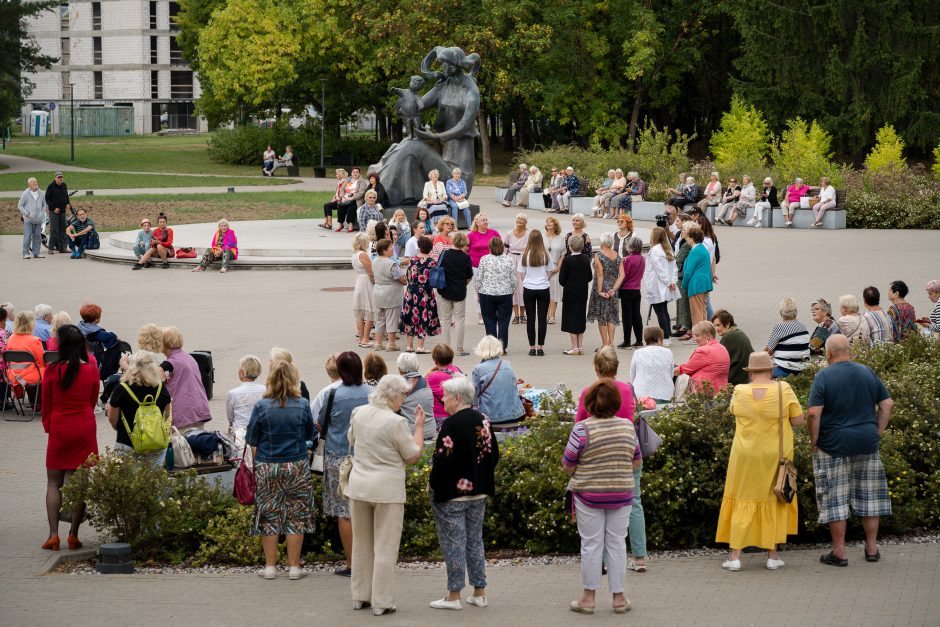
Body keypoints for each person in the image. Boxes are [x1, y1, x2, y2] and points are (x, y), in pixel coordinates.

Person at [808, 335, 894, 567]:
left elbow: (814, 413)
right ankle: (872, 548)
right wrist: (878, 431)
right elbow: (887, 403)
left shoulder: (823, 376)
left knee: (835, 498)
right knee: (870, 496)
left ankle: (839, 553)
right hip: (866, 441)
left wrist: (814, 440)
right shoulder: (866, 372)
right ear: (849, 351)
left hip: (833, 444)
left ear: (828, 354)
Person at [715, 351, 804, 571]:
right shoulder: (784, 390)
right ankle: (772, 556)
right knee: (774, 498)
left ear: (751, 372)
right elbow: (799, 420)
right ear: (771, 369)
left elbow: (734, 411)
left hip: (744, 454)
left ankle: (735, 556)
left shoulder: (739, 391)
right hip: (775, 454)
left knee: (741, 497)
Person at [347, 375, 426, 615]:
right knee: (385, 547)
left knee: (361, 543)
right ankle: (381, 601)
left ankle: (360, 596)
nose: (404, 399)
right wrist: (420, 426)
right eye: (402, 395)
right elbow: (412, 455)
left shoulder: (359, 412)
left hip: (359, 486)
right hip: (387, 490)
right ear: (393, 395)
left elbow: (351, 440)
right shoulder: (396, 422)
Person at [563, 381, 640, 615]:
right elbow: (636, 460)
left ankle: (588, 599)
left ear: (590, 404)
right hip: (621, 493)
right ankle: (619, 598)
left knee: (591, 544)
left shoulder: (582, 429)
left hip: (589, 495)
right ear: (616, 403)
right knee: (617, 543)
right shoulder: (628, 427)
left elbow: (567, 464)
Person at [428, 375, 499, 610]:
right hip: (479, 491)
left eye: (446, 396)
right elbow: (494, 454)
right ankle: (480, 591)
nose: (443, 400)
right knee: (474, 541)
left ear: (457, 398)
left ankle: (454, 595)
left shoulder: (451, 424)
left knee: (454, 543)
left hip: (452, 494)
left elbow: (442, 461)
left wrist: (434, 485)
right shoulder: (484, 418)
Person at [247, 359, 315, 581]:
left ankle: (270, 567)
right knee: (296, 514)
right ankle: (294, 567)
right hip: (296, 463)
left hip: (268, 463)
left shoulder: (261, 406)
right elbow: (308, 435)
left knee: (269, 514)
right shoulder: (302, 404)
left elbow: (252, 438)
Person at [40, 324, 98, 552]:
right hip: (83, 427)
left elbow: (46, 404)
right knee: (79, 484)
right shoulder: (91, 370)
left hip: (60, 427)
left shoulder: (52, 370)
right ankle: (73, 534)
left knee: (54, 482)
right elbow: (93, 402)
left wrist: (49, 427)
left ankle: (53, 535)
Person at [316, 351, 371, 577]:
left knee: (344, 512)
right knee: (366, 509)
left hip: (337, 455)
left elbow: (320, 423)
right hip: (367, 455)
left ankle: (352, 562)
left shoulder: (333, 395)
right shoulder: (372, 393)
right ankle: (369, 559)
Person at [106, 350, 172, 467]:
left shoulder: (122, 389)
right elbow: (166, 414)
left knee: (127, 482)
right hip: (156, 443)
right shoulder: (161, 387)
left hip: (127, 442)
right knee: (154, 481)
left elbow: (113, 420)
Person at [162, 326, 212, 430]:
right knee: (197, 442)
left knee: (181, 444)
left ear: (165, 343)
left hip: (184, 413)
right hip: (198, 409)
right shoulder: (189, 357)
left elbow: (149, 377)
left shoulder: (170, 363)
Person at [471, 336, 524, 424]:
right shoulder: (508, 364)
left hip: (491, 416)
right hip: (514, 414)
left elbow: (474, 395)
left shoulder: (478, 369)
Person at [436, 232, 474, 355]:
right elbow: (469, 276)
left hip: (445, 290)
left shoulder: (444, 254)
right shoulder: (466, 257)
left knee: (445, 320)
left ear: (452, 241)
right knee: (460, 320)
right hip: (459, 291)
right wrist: (463, 284)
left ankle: (446, 349)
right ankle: (459, 348)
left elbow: (438, 268)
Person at [475, 237, 516, 352]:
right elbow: (513, 277)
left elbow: (479, 277)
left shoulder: (484, 259)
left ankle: (492, 348)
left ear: (490, 247)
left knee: (489, 321)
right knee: (504, 321)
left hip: (487, 293)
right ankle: (502, 347)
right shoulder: (508, 259)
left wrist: (477, 291)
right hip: (505, 293)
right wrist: (513, 289)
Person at [401, 236, 440, 353]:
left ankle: (409, 346)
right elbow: (434, 280)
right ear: (430, 248)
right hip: (425, 293)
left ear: (419, 247)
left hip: (412, 291)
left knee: (410, 316)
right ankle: (420, 346)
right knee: (423, 316)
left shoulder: (412, 259)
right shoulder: (432, 262)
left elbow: (408, 275)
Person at [519, 229, 555, 356]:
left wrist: (527, 281)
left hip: (529, 288)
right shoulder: (546, 254)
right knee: (542, 318)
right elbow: (551, 271)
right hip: (543, 288)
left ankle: (531, 347)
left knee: (530, 318)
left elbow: (521, 273)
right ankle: (540, 347)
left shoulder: (525, 254)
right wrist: (545, 278)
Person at [587, 233, 624, 350]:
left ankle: (604, 344)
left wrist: (599, 290)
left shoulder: (598, 255)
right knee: (612, 315)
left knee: (602, 316)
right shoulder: (617, 256)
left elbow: (600, 274)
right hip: (612, 289)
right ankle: (611, 342)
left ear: (602, 243)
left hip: (601, 288)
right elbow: (622, 275)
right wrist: (614, 289)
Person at [643, 227, 679, 347]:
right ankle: (667, 335)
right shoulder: (668, 249)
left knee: (660, 312)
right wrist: (672, 281)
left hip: (657, 285)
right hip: (666, 285)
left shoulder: (654, 251)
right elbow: (674, 268)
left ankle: (666, 337)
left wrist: (669, 282)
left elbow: (659, 269)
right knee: (664, 311)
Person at [674, 321, 730, 395]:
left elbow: (685, 369)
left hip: (703, 390)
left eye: (697, 336)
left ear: (708, 335)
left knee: (672, 371)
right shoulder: (722, 347)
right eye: (694, 336)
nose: (695, 339)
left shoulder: (703, 350)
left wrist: (667, 372)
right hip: (721, 389)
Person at [372, 239, 407, 352]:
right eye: (391, 247)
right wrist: (405, 279)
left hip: (378, 293)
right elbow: (402, 279)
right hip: (391, 295)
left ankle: (378, 343)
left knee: (380, 319)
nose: (393, 249)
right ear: (384, 250)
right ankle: (391, 344)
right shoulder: (391, 264)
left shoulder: (375, 261)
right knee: (392, 319)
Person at [559, 234, 592, 355]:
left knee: (571, 318)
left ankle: (574, 347)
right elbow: (589, 277)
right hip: (582, 293)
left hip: (570, 294)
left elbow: (562, 280)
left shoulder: (567, 260)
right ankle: (580, 346)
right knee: (580, 318)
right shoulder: (585, 259)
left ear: (570, 245)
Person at [5, 312, 46, 407]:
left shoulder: (11, 338)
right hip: (30, 376)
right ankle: (39, 402)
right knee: (48, 370)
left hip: (13, 375)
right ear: (31, 324)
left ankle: (34, 399)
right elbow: (42, 361)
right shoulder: (34, 340)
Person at [225, 355, 265, 450]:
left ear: (242, 372)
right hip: (262, 431)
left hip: (241, 433)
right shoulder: (266, 390)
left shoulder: (233, 393)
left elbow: (230, 417)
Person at [764, 297, 811, 378]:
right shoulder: (803, 327)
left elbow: (768, 351)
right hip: (802, 368)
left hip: (784, 369)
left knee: (760, 376)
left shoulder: (780, 327)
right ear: (796, 312)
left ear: (780, 313)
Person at [396, 352, 436, 440]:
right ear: (417, 367)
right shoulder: (425, 383)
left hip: (411, 433)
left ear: (399, 369)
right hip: (430, 430)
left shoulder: (398, 385)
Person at [630, 326, 675, 403]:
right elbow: (671, 373)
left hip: (641, 394)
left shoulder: (638, 353)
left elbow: (633, 374)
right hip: (664, 394)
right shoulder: (668, 352)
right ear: (659, 340)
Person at [426, 344, 463, 430]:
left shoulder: (433, 377)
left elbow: (418, 388)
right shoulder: (457, 370)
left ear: (435, 361)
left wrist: (426, 374)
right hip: (457, 414)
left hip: (440, 417)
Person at [712, 310, 754, 386]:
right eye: (714, 326)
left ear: (727, 324)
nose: (716, 329)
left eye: (718, 325)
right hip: (748, 375)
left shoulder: (728, 337)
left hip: (737, 378)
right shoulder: (738, 332)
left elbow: (716, 361)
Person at [681, 226, 712, 326]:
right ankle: (705, 336)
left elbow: (688, 272)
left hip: (696, 284)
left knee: (696, 314)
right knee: (702, 311)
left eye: (688, 237)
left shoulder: (695, 251)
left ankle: (697, 339)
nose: (687, 239)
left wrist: (683, 284)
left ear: (692, 238)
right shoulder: (702, 248)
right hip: (704, 283)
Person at [349, 233, 375, 348]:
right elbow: (371, 273)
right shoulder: (363, 254)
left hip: (359, 281)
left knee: (360, 312)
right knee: (370, 311)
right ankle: (365, 339)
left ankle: (361, 338)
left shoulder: (354, 254)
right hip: (366, 282)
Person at [618, 237, 645, 348]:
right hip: (637, 289)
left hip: (627, 290)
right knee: (636, 315)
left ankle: (627, 341)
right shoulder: (642, 258)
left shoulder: (628, 260)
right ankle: (639, 340)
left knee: (626, 317)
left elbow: (624, 275)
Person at [503, 213, 530, 324]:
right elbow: (505, 249)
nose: (519, 220)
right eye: (518, 218)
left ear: (525, 222)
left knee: (523, 288)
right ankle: (516, 315)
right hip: (511, 260)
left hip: (523, 261)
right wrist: (504, 262)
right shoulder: (509, 234)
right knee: (513, 288)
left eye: (522, 219)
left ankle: (523, 315)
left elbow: (530, 249)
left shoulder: (528, 234)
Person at [673, 223, 693, 339]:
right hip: (683, 275)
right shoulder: (686, 243)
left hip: (682, 276)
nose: (682, 232)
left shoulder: (686, 245)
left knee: (683, 303)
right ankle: (685, 327)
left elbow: (678, 259)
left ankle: (688, 329)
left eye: (684, 230)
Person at [18, 177, 47, 259]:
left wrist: (41, 213)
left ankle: (36, 253)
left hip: (38, 220)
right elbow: (20, 206)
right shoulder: (26, 193)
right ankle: (25, 253)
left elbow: (44, 204)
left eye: (36, 182)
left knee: (37, 237)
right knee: (27, 237)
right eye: (33, 182)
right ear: (29, 184)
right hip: (28, 220)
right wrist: (26, 214)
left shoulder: (41, 192)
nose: (35, 183)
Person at [544, 216, 566, 325]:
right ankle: (546, 313)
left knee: (554, 292)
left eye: (550, 222)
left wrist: (558, 267)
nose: (548, 224)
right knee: (546, 292)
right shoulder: (542, 238)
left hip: (555, 267)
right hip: (543, 268)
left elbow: (562, 255)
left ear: (555, 225)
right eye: (547, 222)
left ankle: (552, 315)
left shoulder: (561, 239)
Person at [44, 172, 71, 254]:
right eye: (59, 177)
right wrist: (53, 208)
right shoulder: (51, 186)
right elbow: (47, 198)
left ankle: (62, 248)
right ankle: (51, 248)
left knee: (63, 230)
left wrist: (68, 203)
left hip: (63, 211)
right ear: (55, 178)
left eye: (61, 177)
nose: (60, 179)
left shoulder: (64, 185)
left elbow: (66, 196)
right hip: (54, 212)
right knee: (54, 230)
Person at [336, 167, 367, 232]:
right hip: (346, 198)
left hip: (356, 200)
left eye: (357, 172)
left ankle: (351, 225)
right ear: (351, 173)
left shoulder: (362, 181)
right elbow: (342, 189)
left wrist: (352, 198)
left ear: (359, 173)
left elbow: (361, 193)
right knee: (341, 206)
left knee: (351, 208)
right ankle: (340, 224)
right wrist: (343, 197)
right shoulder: (348, 179)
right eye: (354, 172)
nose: (355, 173)